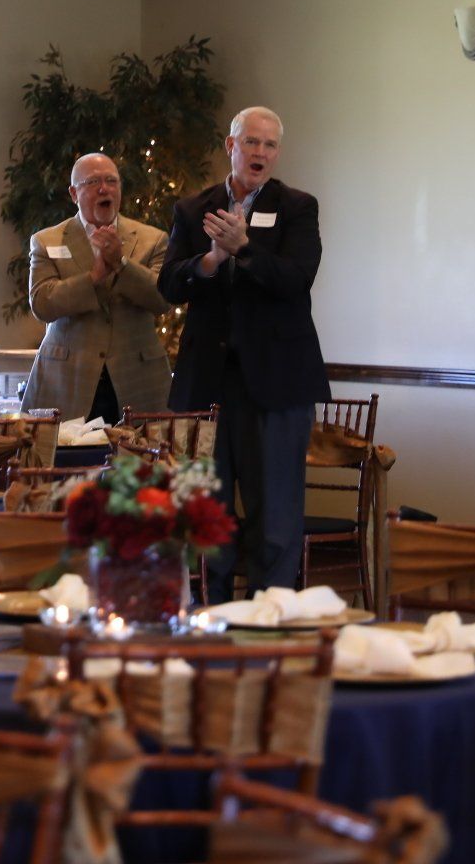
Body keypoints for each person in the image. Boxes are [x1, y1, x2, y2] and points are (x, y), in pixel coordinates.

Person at [159, 106, 328, 599]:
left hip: (276, 384)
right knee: (207, 514)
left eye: (270, 145)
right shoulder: (193, 210)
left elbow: (297, 279)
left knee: (274, 514)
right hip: (207, 384)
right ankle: (212, 619)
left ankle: (268, 619)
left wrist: (245, 248)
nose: (260, 153)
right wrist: (210, 259)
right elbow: (170, 284)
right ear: (230, 146)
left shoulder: (298, 207)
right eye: (251, 142)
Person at [22, 153, 172, 422]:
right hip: (68, 380)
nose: (104, 188)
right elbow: (42, 303)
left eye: (111, 181)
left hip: (136, 378)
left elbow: (163, 298)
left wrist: (122, 264)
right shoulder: (47, 240)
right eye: (92, 182)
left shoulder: (153, 239)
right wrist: (93, 278)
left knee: (140, 464)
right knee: (65, 462)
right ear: (73, 193)